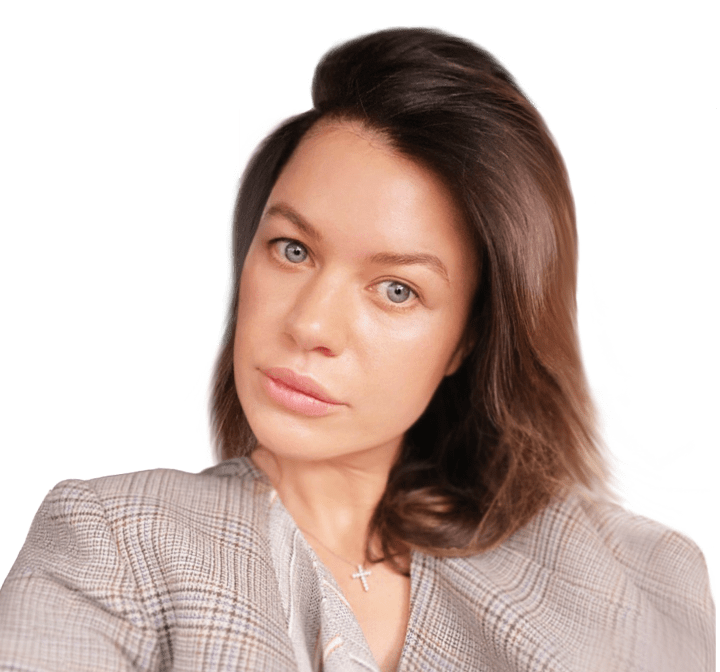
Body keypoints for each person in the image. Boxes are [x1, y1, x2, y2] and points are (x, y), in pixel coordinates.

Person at [0, 25, 714, 672]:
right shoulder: (116, 543)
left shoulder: (636, 578)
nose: (312, 324)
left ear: (468, 338)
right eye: (292, 249)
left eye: (396, 289)